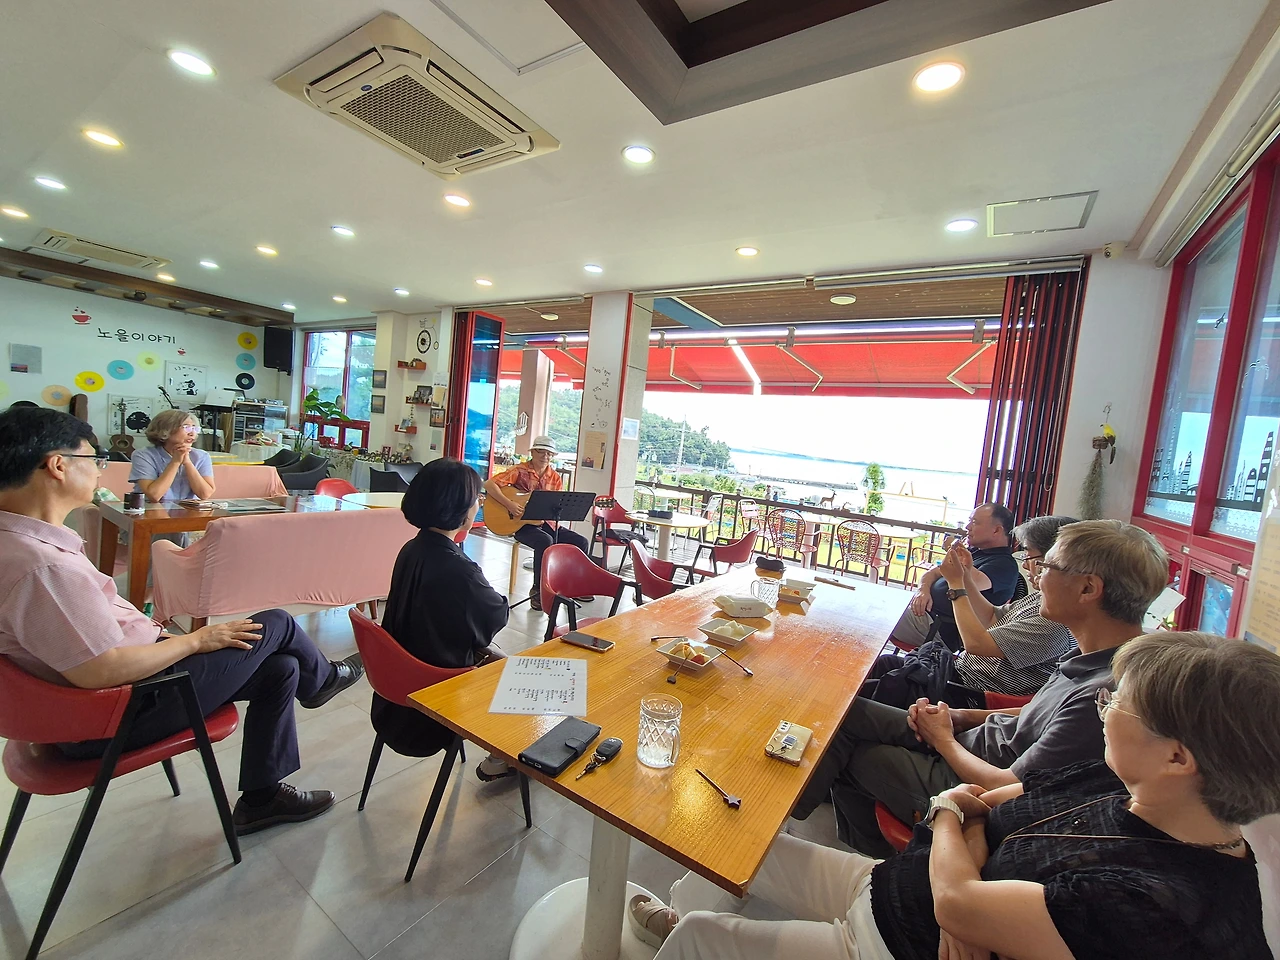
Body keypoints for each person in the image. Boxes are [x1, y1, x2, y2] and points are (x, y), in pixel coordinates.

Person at [630, 631, 1280, 960]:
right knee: (745, 844)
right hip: (892, 884)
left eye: (1118, 702)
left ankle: (682, 935)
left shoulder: (1165, 905)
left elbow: (962, 891)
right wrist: (961, 840)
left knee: (703, 935)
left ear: (1177, 757)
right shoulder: (1114, 781)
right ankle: (681, 920)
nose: (1103, 709)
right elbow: (984, 809)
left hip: (889, 941)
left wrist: (953, 834)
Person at [0, 407, 364, 835]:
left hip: (113, 695)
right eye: (93, 459)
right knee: (278, 624)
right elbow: (100, 670)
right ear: (58, 466)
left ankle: (263, 799)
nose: (100, 469)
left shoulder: (21, 543)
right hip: (115, 711)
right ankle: (324, 681)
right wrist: (194, 641)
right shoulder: (42, 567)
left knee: (281, 667)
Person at [793, 519, 1169, 856]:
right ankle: (808, 827)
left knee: (855, 750)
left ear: (1088, 588)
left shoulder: (1107, 694)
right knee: (844, 711)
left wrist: (943, 740)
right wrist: (961, 717)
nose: (1037, 576)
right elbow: (1035, 711)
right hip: (969, 738)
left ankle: (862, 855)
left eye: (1046, 567)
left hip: (973, 779)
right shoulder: (1090, 656)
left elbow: (1012, 786)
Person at [374, 457, 516, 782]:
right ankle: (505, 757)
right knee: (523, 674)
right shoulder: (460, 570)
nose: (479, 504)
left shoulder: (411, 549)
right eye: (476, 498)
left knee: (496, 657)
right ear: (461, 509)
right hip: (433, 705)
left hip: (393, 695)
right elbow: (496, 615)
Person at [865, 515, 1077, 698]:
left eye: (1030, 555)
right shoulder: (1039, 599)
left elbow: (976, 644)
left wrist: (956, 585)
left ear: (1054, 559)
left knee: (873, 628)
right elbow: (992, 617)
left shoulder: (1054, 617)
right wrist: (965, 575)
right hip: (957, 670)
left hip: (970, 689)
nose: (1026, 564)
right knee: (884, 664)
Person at [892, 503, 1020, 651]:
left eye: (974, 522)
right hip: (921, 615)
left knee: (874, 612)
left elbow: (971, 583)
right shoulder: (975, 553)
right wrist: (923, 590)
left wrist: (953, 551)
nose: (967, 527)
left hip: (938, 631)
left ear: (996, 530)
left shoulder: (1005, 565)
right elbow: (933, 572)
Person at [484, 435, 590, 611]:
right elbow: (489, 484)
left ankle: (575, 586)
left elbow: (556, 505)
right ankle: (538, 591)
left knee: (581, 541)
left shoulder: (554, 477)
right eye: (541, 451)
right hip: (520, 524)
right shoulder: (519, 470)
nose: (545, 456)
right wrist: (509, 504)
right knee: (545, 541)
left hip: (544, 522)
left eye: (549, 453)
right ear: (533, 452)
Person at [130, 408, 215, 502]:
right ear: (166, 430)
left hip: (189, 510)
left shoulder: (202, 456)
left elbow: (204, 494)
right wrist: (175, 462)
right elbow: (154, 496)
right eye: (187, 427)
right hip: (152, 509)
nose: (192, 433)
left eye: (195, 428)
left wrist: (187, 463)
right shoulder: (143, 455)